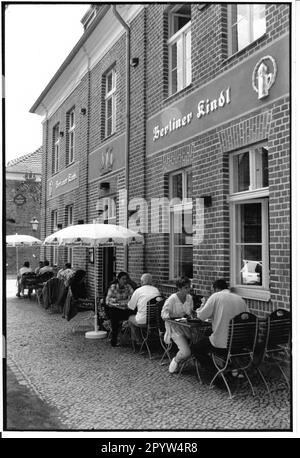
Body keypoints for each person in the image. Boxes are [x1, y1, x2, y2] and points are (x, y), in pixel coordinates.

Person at [191, 278, 248, 367]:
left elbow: (201, 316)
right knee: (209, 333)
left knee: (196, 348)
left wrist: (196, 312)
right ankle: (229, 367)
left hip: (222, 345)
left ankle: (217, 375)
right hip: (239, 344)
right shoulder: (240, 299)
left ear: (216, 289)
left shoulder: (216, 296)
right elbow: (247, 318)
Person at [161, 276, 194, 373]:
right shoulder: (172, 299)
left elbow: (189, 313)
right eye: (186, 288)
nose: (188, 290)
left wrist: (192, 314)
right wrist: (175, 316)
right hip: (174, 328)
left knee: (200, 343)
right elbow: (164, 315)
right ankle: (176, 360)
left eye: (189, 287)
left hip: (187, 327)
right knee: (186, 352)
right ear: (179, 288)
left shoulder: (189, 298)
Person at [127, 273, 161, 343]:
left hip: (142, 321)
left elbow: (131, 306)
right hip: (155, 320)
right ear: (151, 282)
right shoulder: (156, 290)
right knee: (141, 317)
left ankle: (138, 341)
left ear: (142, 282)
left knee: (130, 318)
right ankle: (149, 339)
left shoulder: (138, 290)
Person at [106, 271, 134, 347]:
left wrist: (125, 301)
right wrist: (117, 301)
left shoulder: (128, 287)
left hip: (125, 309)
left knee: (134, 312)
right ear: (118, 279)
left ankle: (134, 339)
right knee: (114, 315)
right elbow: (108, 300)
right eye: (123, 279)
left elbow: (133, 298)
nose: (125, 281)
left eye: (126, 279)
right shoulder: (113, 287)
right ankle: (114, 339)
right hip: (115, 309)